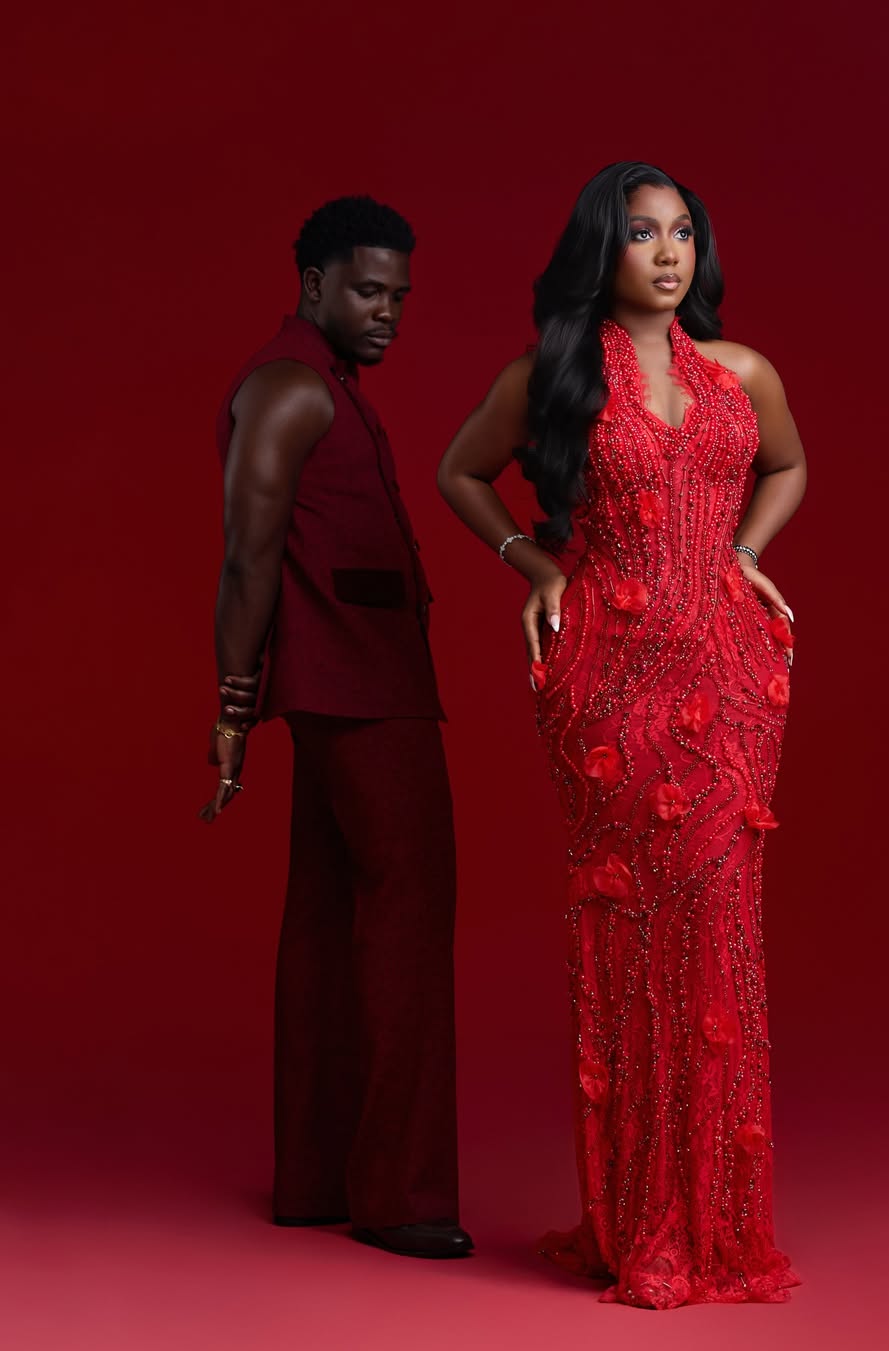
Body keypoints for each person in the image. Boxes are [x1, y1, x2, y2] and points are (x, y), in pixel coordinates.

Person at [437, 162, 805, 1307]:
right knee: (637, 939)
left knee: (718, 927)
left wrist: (745, 555)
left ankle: (718, 1226)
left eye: (683, 232)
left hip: (732, 676)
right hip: (608, 677)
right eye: (642, 233)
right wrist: (531, 559)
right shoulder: (551, 375)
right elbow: (460, 472)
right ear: (601, 247)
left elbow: (787, 466)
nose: (667, 253)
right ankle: (640, 1221)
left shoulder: (744, 372)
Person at [201, 195, 472, 1259]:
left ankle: (318, 1178)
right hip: (361, 693)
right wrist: (230, 712)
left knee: (324, 927)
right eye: (368, 290)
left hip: (348, 684)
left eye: (400, 296)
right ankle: (403, 1196)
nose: (388, 313)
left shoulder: (323, 388)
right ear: (312, 282)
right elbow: (245, 557)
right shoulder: (286, 389)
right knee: (406, 924)